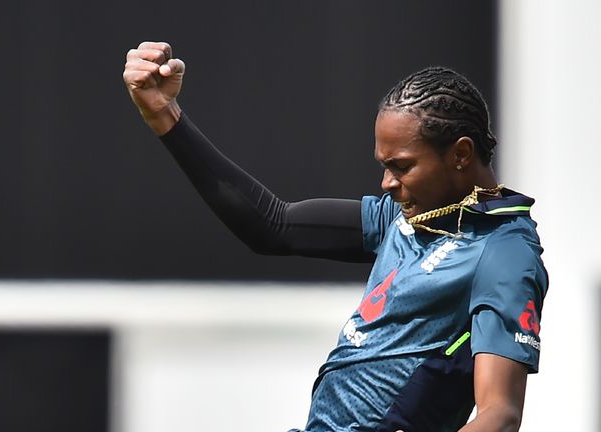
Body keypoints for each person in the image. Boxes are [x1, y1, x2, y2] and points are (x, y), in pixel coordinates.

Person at [123, 41, 548, 432]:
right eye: (384, 165)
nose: (386, 183)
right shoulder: (400, 218)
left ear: (460, 154)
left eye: (401, 166)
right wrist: (163, 114)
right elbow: (273, 225)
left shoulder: (503, 252)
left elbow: (499, 414)